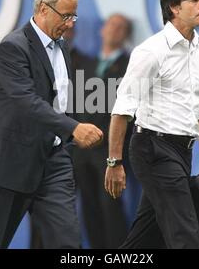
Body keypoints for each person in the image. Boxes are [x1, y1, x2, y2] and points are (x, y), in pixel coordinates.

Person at [0, 0, 103, 249]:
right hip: (11, 162)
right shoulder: (12, 47)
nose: (70, 23)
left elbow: (61, 99)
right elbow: (26, 101)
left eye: (73, 16)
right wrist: (73, 128)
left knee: (69, 245)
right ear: (43, 9)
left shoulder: (63, 46)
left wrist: (69, 136)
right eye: (65, 15)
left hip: (54, 163)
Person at [104, 0, 199, 249]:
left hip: (183, 151)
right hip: (153, 149)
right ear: (174, 8)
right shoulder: (151, 51)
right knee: (186, 235)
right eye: (195, 0)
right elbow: (122, 109)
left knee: (145, 237)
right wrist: (114, 162)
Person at [72, 14, 134, 248]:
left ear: (126, 35)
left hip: (110, 151)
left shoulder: (129, 66)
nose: (114, 29)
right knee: (88, 206)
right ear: (102, 29)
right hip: (81, 152)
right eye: (111, 24)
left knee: (111, 207)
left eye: (121, 27)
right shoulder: (85, 65)